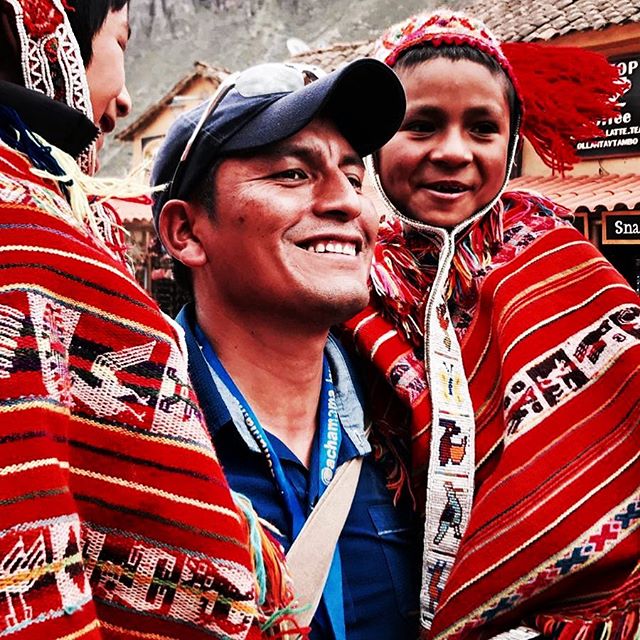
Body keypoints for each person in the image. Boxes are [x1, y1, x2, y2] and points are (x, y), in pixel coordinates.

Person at [0, 1, 296, 637]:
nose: (128, 98)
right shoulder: (32, 247)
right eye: (119, 43)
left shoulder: (390, 373)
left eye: (355, 175)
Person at [343, 9, 640, 640]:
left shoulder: (565, 267)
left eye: (482, 128)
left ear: (511, 142)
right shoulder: (338, 279)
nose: (453, 152)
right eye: (420, 125)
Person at [151, 59, 421, 639]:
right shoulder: (125, 442)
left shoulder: (413, 424)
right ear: (187, 233)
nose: (348, 203)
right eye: (293, 174)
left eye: (354, 175)